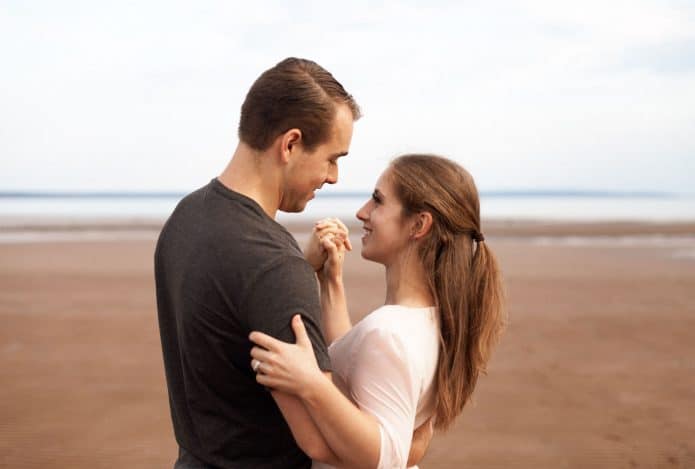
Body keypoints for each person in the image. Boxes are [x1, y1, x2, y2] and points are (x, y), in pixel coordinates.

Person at [154, 57, 361, 468]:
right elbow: (322, 441)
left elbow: (232, 317)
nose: (334, 176)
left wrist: (302, 268)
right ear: (290, 144)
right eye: (332, 158)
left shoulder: (186, 218)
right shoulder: (272, 265)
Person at [249, 154, 507, 468]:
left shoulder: (390, 332)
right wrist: (331, 281)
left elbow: (383, 457)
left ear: (418, 224)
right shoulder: (434, 320)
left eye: (377, 200)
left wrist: (310, 381)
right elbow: (361, 374)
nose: (362, 212)